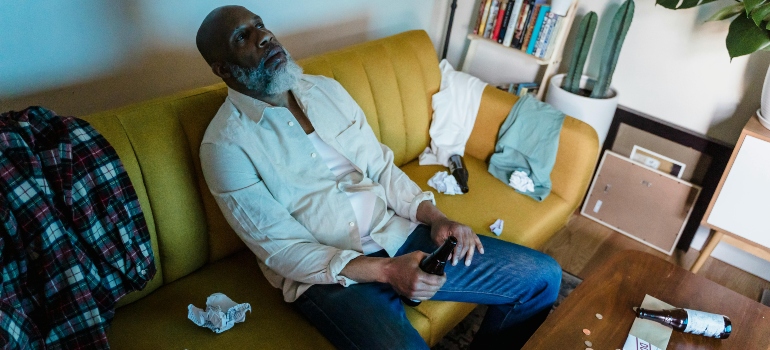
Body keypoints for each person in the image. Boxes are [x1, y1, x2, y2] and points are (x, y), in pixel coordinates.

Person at [196, 5, 561, 349]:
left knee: (541, 278)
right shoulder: (225, 146)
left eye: (260, 24)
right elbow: (283, 250)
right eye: (242, 37)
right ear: (222, 69)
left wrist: (436, 218)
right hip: (330, 276)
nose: (264, 36)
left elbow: (381, 168)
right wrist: (387, 270)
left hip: (396, 230)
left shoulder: (324, 90)